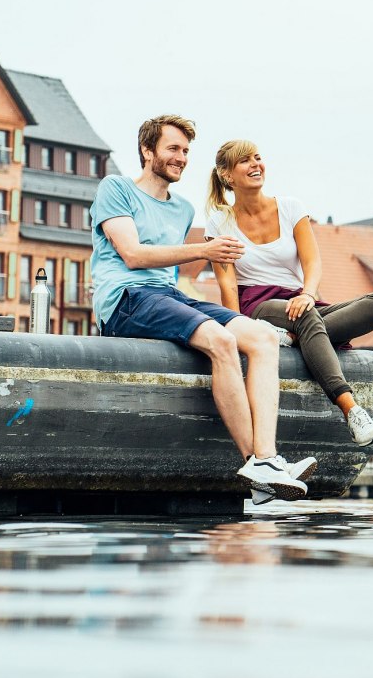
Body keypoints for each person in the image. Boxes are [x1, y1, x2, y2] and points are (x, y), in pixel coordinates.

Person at [91, 115, 314, 504]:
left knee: (262, 337)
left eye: (186, 151)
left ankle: (269, 459)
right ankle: (255, 462)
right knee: (220, 340)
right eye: (172, 149)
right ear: (148, 151)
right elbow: (133, 254)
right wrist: (204, 250)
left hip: (167, 296)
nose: (181, 158)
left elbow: (168, 273)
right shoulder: (116, 188)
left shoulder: (183, 209)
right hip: (126, 299)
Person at [204, 139, 373, 446]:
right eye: (245, 161)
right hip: (259, 306)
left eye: (258, 157)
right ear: (227, 175)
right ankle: (351, 409)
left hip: (302, 301)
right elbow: (227, 286)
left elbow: (312, 261)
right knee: (306, 317)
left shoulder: (291, 208)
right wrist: (241, 328)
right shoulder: (219, 222)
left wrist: (308, 293)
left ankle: (291, 338)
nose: (255, 164)